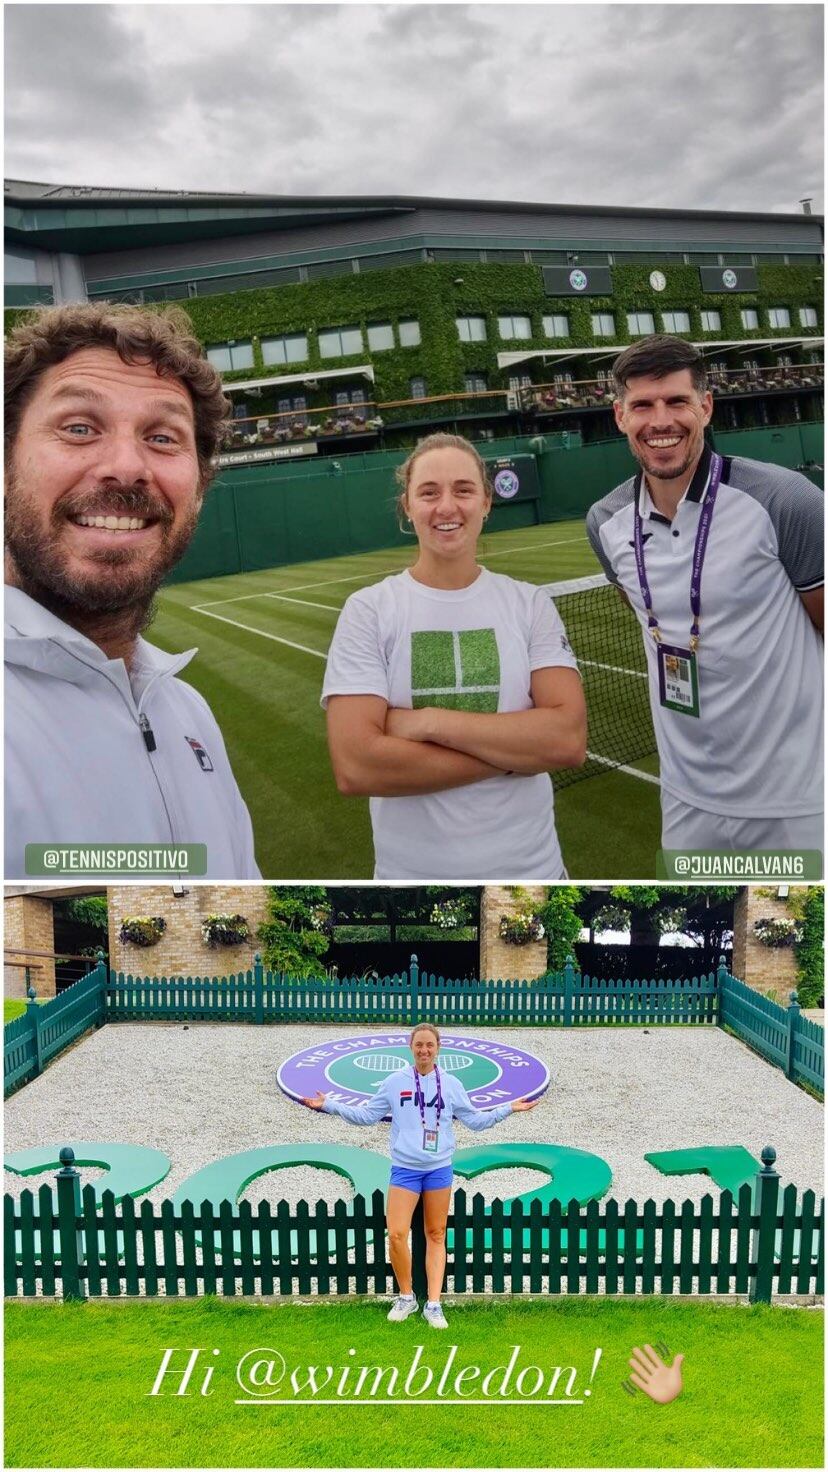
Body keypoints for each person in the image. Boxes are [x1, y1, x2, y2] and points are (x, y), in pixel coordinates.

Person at [4, 302, 259, 879]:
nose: (126, 466)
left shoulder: (187, 712)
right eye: (78, 428)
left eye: (163, 437)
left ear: (199, 486)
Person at [586, 335, 823, 854]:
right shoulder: (604, 522)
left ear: (706, 407)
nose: (661, 421)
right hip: (687, 805)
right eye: (643, 405)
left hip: (796, 806)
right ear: (620, 416)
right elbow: (646, 612)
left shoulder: (788, 501)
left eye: (677, 401)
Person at [322, 432, 587, 879]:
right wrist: (516, 754)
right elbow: (356, 766)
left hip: (535, 876)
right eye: (429, 493)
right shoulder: (369, 610)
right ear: (407, 506)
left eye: (463, 490)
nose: (447, 507)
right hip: (412, 884)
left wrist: (426, 722)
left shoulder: (530, 604)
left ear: (486, 501)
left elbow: (566, 740)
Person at [302, 1022, 540, 1328]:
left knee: (436, 1234)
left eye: (430, 1045)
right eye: (419, 1045)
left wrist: (508, 1108)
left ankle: (434, 1304)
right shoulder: (394, 1082)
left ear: (438, 1048)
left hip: (439, 1169)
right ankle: (406, 1297)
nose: (424, 1050)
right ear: (411, 1048)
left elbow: (475, 1121)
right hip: (405, 1169)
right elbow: (366, 1116)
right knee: (398, 1234)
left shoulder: (451, 1084)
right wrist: (329, 1105)